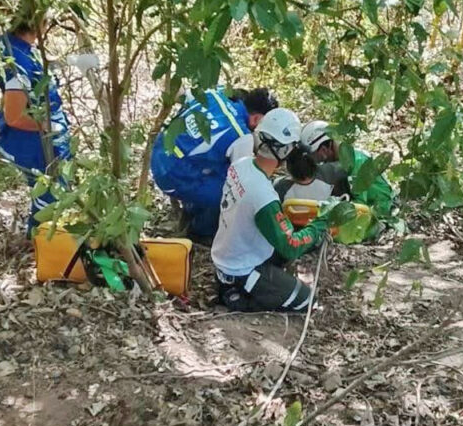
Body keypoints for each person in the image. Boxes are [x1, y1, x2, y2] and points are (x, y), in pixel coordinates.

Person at [212, 108, 332, 312]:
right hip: (241, 270)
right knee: (306, 300)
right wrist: (320, 224)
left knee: (293, 241)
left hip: (229, 254)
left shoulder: (241, 165)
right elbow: (291, 245)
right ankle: (238, 297)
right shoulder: (263, 195)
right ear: (285, 150)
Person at [150, 87, 278, 243]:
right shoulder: (241, 135)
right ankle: (200, 230)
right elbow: (241, 180)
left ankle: (193, 206)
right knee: (230, 191)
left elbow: (181, 93)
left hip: (159, 152)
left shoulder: (215, 92)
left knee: (219, 162)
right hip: (170, 176)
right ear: (256, 119)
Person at [0, 16, 71, 236]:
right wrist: (47, 126)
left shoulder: (14, 46)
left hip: (41, 138)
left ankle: (45, 242)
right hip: (33, 143)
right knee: (49, 195)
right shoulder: (18, 64)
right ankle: (44, 248)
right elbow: (14, 117)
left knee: (50, 194)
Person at [300, 120, 394, 219]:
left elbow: (360, 205)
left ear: (324, 149)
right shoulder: (333, 162)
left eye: (313, 155)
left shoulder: (356, 162)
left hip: (378, 209)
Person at [273, 144, 350, 203]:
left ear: (289, 168)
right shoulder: (328, 173)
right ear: (313, 163)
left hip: (295, 221)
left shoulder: (280, 187)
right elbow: (349, 164)